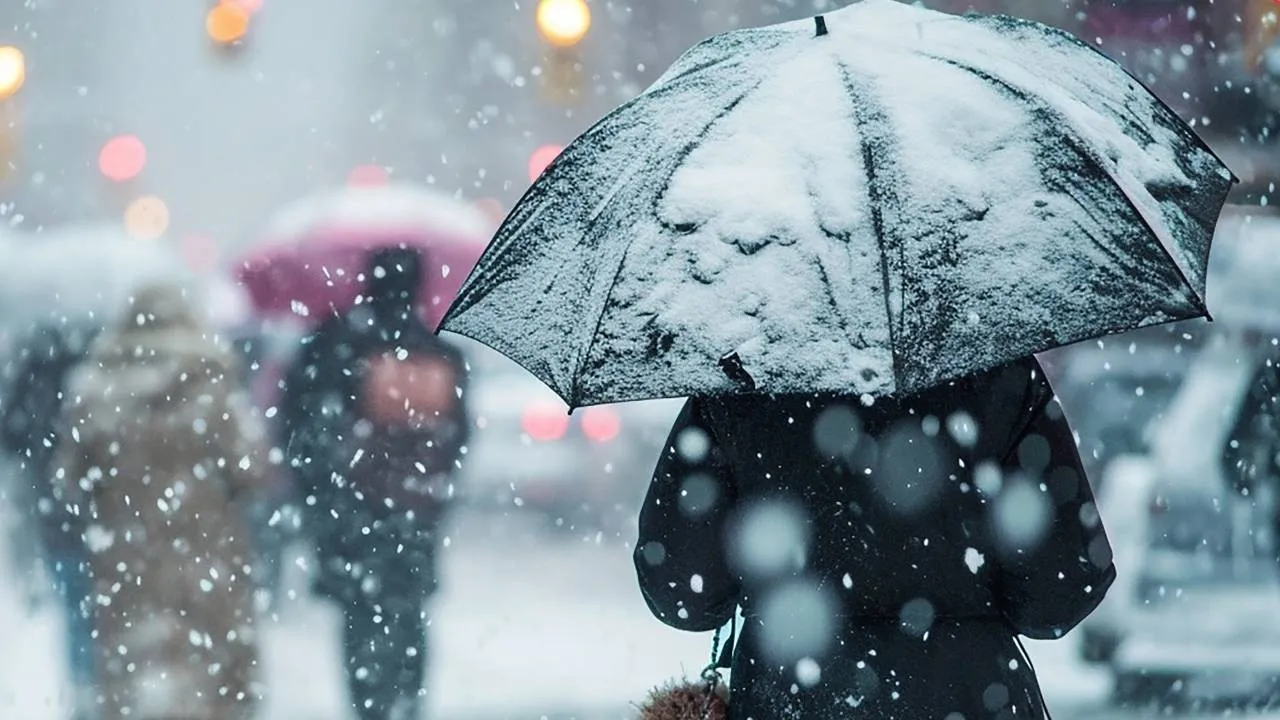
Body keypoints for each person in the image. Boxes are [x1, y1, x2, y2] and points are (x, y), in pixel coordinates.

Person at [634, 356, 1115, 719]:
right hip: (971, 691)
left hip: (792, 696)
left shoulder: (742, 379)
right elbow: (1062, 589)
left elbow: (682, 590)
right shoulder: (998, 371)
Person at [52, 283, 266, 720]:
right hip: (208, 558)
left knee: (133, 675)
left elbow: (68, 480)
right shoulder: (214, 384)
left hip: (126, 559)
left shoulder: (94, 388)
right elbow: (252, 468)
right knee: (214, 679)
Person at [279, 246, 469, 720]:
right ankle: (408, 705)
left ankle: (371, 708)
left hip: (353, 519)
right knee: (409, 620)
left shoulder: (336, 343)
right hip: (416, 514)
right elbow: (459, 437)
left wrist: (320, 496)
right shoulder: (439, 349)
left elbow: (298, 429)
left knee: (360, 623)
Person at [0, 320, 99, 718]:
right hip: (106, 514)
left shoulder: (32, 365)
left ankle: (83, 687)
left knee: (76, 602)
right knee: (103, 603)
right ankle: (101, 684)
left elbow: (10, 435)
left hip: (55, 507)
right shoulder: (100, 370)